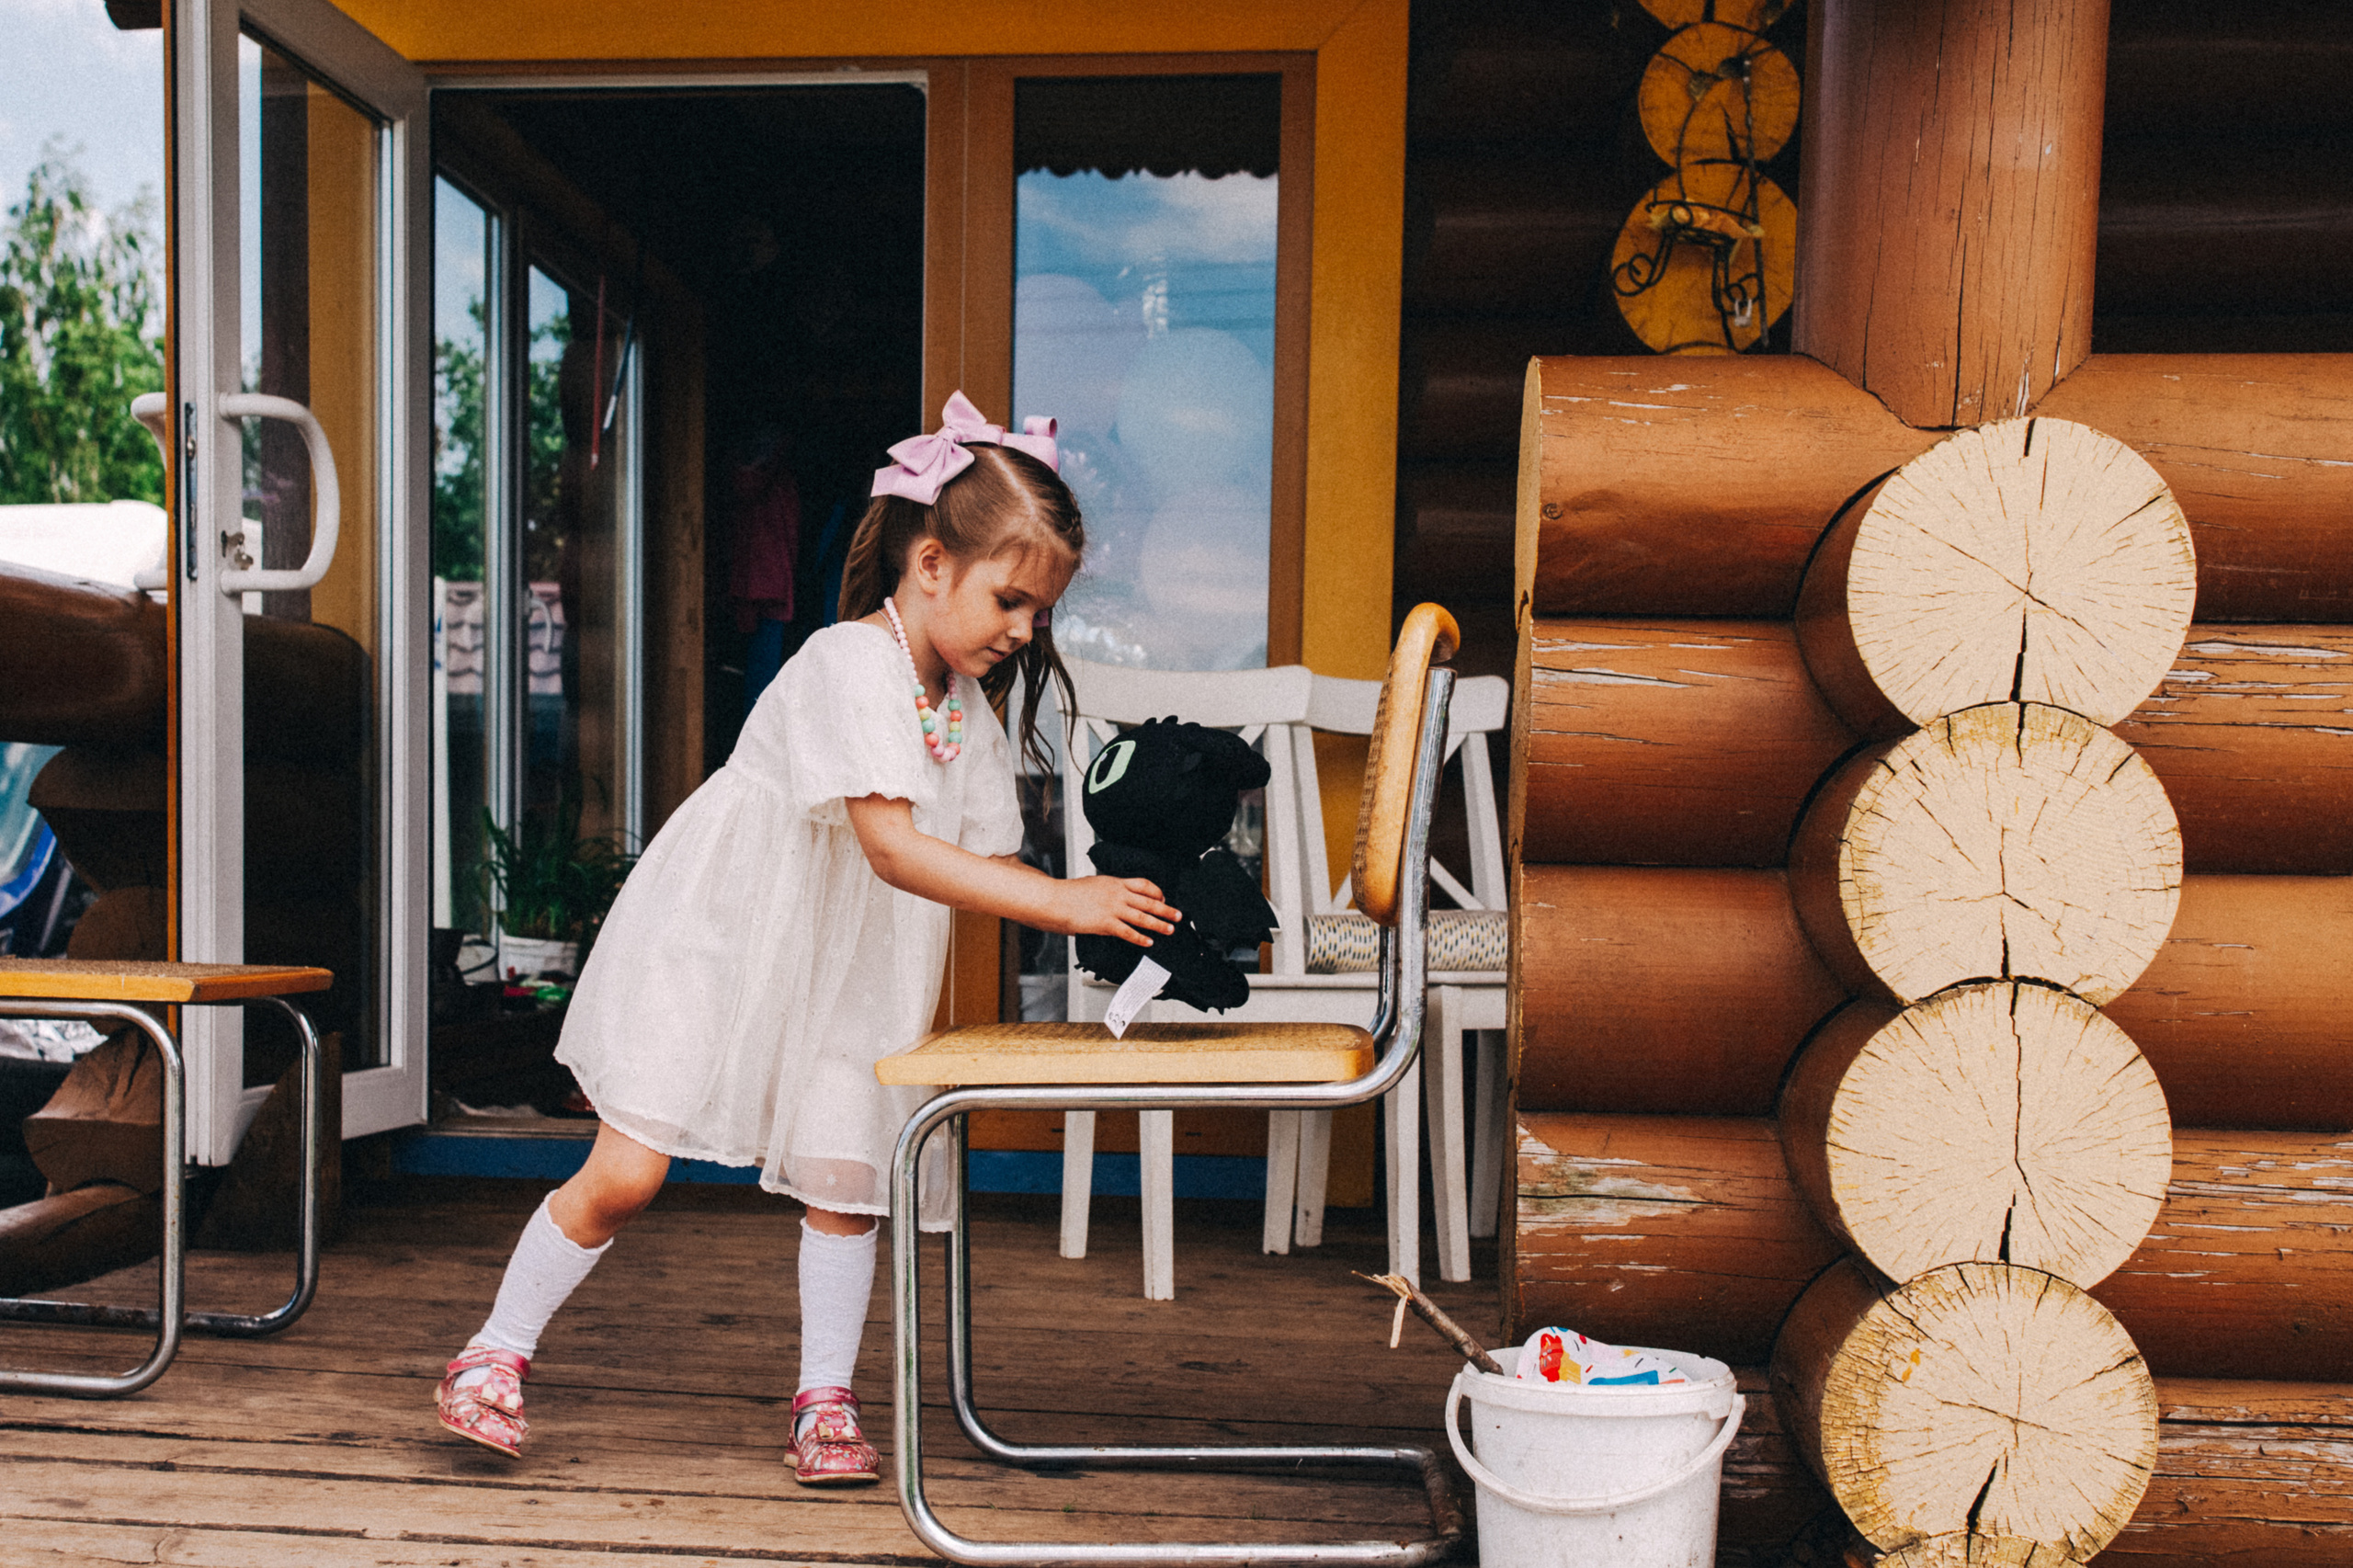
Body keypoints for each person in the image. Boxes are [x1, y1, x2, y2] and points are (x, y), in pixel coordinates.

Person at [433, 392, 1179, 1485]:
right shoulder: (844, 661)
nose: (1023, 631)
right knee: (628, 1169)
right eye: (1010, 599)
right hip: (725, 937)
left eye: (1040, 612)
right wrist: (1069, 904)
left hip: (855, 960)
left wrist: (1096, 906)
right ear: (930, 564)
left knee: (847, 1172)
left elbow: (979, 859)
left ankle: (823, 1398)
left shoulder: (961, 705)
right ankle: (492, 1352)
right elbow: (891, 846)